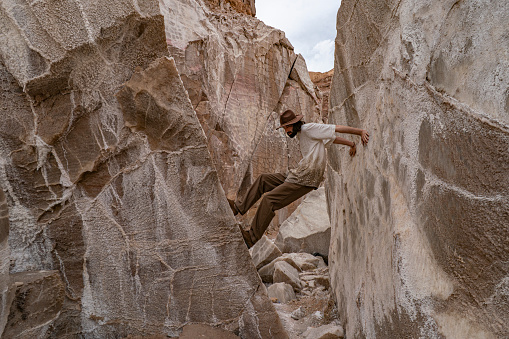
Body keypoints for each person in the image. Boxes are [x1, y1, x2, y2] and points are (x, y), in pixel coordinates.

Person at [228, 109, 369, 248]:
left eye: (288, 127)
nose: (287, 131)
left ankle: (251, 238)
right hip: (297, 174)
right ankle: (237, 207)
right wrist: (351, 144)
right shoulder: (303, 134)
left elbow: (336, 128)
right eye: (284, 128)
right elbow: (332, 138)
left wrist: (360, 132)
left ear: (296, 123)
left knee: (269, 200)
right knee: (263, 179)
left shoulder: (308, 128)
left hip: (305, 179)